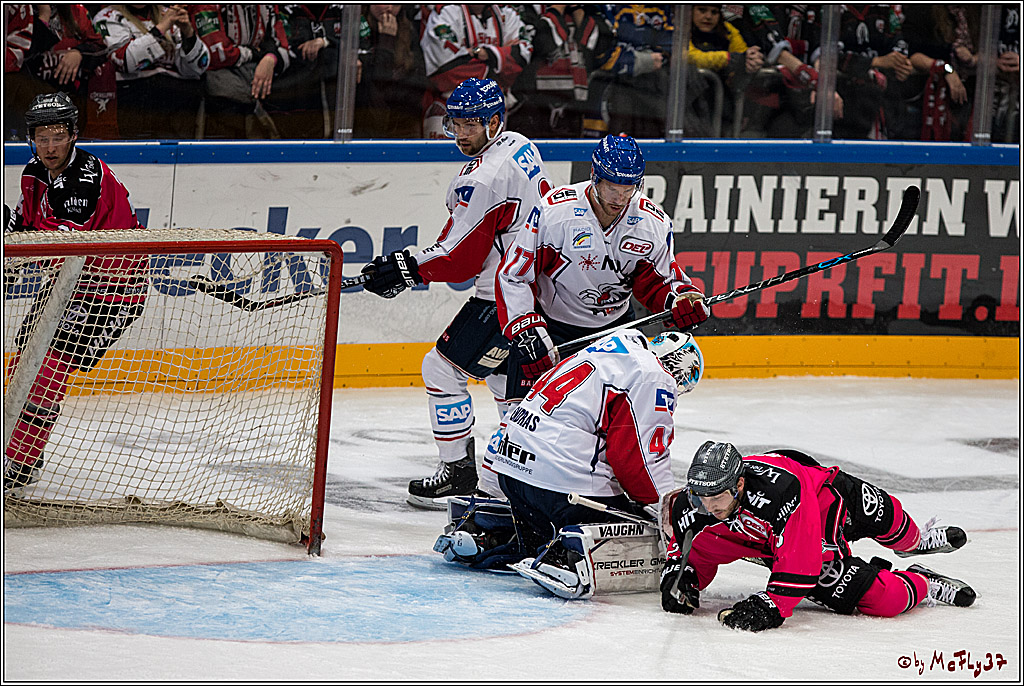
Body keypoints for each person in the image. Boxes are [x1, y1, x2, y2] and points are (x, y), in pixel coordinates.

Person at [359, 78, 552, 509]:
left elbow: (459, 258)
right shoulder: (520, 144)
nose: (461, 134)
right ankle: (517, 480)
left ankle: (461, 473)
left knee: (440, 370)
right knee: (509, 388)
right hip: (536, 289)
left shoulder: (484, 177)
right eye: (456, 123)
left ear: (494, 121)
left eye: (471, 125)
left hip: (503, 298)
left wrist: (404, 267)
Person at [434, 327, 703, 598]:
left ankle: (489, 532)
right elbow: (637, 460)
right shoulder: (653, 376)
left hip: (512, 477)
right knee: (639, 521)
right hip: (561, 487)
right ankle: (567, 556)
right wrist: (669, 508)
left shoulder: (606, 352)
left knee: (542, 520)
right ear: (680, 370)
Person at [660, 441, 976, 632]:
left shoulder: (780, 492)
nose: (709, 506)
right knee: (886, 599)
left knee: (896, 526)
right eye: (702, 498)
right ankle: (924, 583)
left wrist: (773, 604)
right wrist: (683, 579)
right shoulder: (694, 505)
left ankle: (916, 542)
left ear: (739, 484)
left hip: (827, 498)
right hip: (784, 540)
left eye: (718, 498)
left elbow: (802, 560)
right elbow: (690, 551)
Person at [494, 134, 709, 411]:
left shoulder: (651, 223)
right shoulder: (554, 213)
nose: (620, 199)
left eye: (628, 189)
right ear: (595, 176)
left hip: (616, 334)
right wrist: (527, 329)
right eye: (612, 188)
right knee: (519, 421)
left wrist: (680, 299)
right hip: (552, 331)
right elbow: (514, 275)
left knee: (609, 427)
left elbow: (660, 281)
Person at [4, 92, 147, 492]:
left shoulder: (84, 180)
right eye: (42, 136)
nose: (50, 146)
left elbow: (56, 249)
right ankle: (21, 453)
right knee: (24, 365)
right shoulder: (33, 172)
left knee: (46, 369)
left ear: (74, 135)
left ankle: (19, 460)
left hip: (113, 289)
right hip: (69, 284)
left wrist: (12, 258)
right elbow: (24, 229)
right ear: (31, 138)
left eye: (58, 136)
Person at [92, 4, 210, 139]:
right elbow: (125, 62)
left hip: (176, 101)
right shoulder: (107, 17)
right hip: (133, 100)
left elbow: (197, 68)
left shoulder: (168, 14)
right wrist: (162, 27)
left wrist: (188, 33)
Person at [3, 4, 117, 141]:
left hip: (73, 102)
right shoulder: (20, 10)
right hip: (28, 103)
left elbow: (101, 48)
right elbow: (17, 57)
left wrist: (79, 53)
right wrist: (44, 15)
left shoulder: (77, 11)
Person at [419, 4, 533, 139]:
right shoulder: (445, 12)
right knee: (445, 158)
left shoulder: (507, 14)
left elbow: (523, 55)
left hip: (492, 112)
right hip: (447, 109)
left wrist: (484, 54)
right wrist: (499, 58)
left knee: (491, 159)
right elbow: (445, 68)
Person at [188, 4, 291, 139]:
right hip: (218, 95)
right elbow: (216, 54)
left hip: (254, 80)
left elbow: (284, 46)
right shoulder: (207, 5)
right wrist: (256, 54)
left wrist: (270, 59)